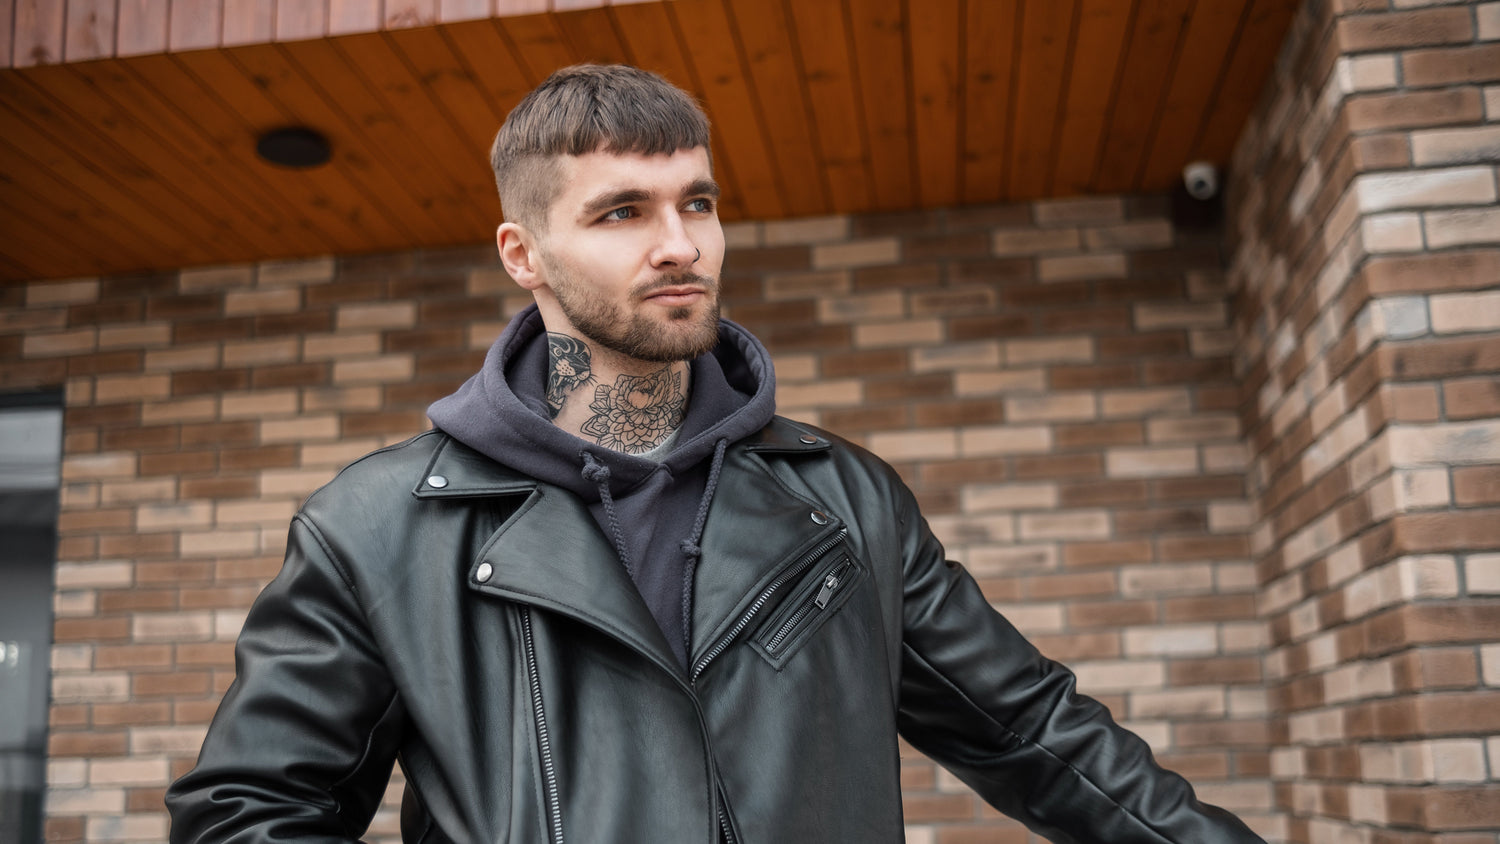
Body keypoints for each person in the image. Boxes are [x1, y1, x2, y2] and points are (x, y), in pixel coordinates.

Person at [166, 64, 1265, 844]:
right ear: (524, 252)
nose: (681, 244)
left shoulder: (846, 503)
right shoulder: (375, 527)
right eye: (622, 212)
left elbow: (1039, 738)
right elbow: (246, 814)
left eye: (699, 201)